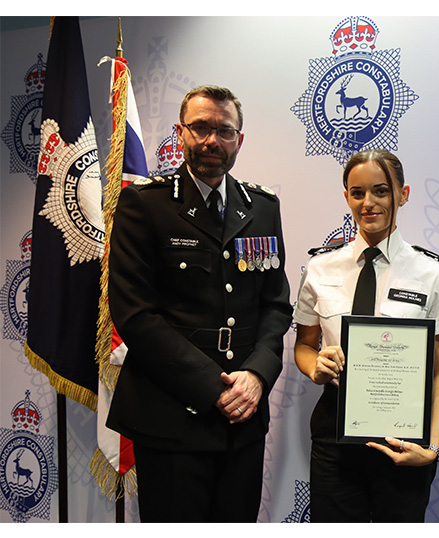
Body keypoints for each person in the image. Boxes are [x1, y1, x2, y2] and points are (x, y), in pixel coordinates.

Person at [106, 85, 292, 522]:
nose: (212, 140)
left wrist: (257, 375)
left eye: (224, 131)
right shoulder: (144, 203)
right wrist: (215, 387)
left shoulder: (262, 207)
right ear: (180, 133)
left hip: (242, 419)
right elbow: (135, 315)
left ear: (239, 140)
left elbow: (275, 306)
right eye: (201, 128)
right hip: (171, 419)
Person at [293, 149, 439, 522]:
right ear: (347, 197)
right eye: (357, 193)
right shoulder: (319, 268)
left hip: (405, 433)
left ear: (403, 194)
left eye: (381, 191)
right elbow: (304, 346)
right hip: (335, 430)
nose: (368, 203)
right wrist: (314, 367)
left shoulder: (432, 274)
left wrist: (432, 447)